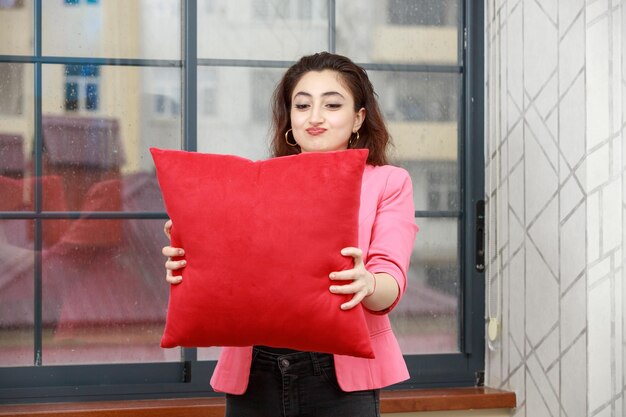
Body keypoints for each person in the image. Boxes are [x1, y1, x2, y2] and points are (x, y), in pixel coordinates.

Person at [161, 52, 418, 417]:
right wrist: (192, 257)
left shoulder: (389, 182)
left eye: (332, 104)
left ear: (358, 118)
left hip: (339, 378)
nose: (315, 117)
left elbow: (389, 284)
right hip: (254, 372)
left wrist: (367, 283)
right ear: (289, 118)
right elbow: (234, 277)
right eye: (302, 105)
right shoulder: (254, 183)